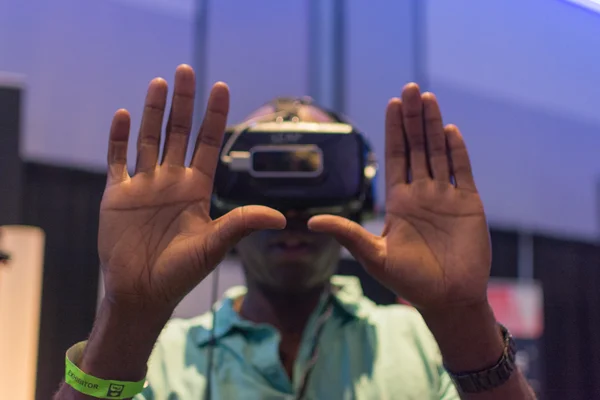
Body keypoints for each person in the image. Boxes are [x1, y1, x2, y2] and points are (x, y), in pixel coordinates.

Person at [55, 65, 535, 399]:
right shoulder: (159, 358)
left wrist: (463, 317)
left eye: (317, 174)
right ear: (223, 198)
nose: (292, 213)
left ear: (359, 197)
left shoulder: (423, 343)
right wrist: (127, 316)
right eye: (268, 176)